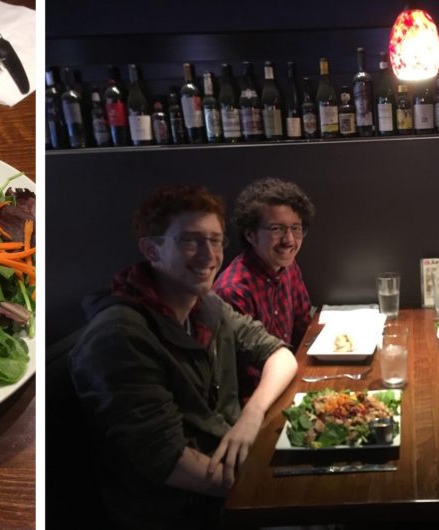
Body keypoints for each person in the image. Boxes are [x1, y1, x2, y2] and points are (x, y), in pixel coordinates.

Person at [68, 184, 297, 529]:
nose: (208, 255)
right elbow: (167, 462)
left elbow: (279, 355)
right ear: (153, 250)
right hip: (178, 509)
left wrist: (251, 416)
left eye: (215, 240)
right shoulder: (118, 338)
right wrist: (279, 492)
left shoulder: (207, 305)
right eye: (191, 240)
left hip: (227, 475)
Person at [214, 177, 315, 398]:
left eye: (296, 228)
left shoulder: (287, 265)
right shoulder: (233, 291)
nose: (289, 240)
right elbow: (245, 378)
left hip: (291, 378)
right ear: (250, 234)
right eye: (276, 229)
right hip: (259, 399)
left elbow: (304, 325)